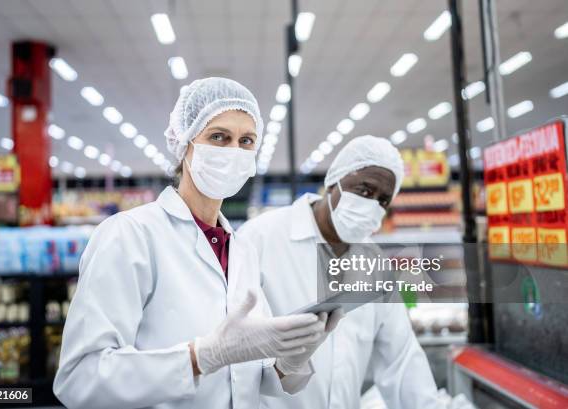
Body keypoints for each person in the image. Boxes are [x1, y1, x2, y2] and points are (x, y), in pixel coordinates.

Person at [53, 77, 342, 409]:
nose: (233, 151)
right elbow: (80, 378)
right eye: (218, 137)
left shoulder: (241, 249)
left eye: (246, 141)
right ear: (184, 142)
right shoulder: (130, 235)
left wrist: (287, 363)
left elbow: (242, 379)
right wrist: (199, 357)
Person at [239, 136, 445, 409]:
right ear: (334, 181)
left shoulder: (374, 264)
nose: (372, 205)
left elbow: (402, 360)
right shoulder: (261, 237)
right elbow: (235, 344)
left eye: (383, 201)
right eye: (364, 190)